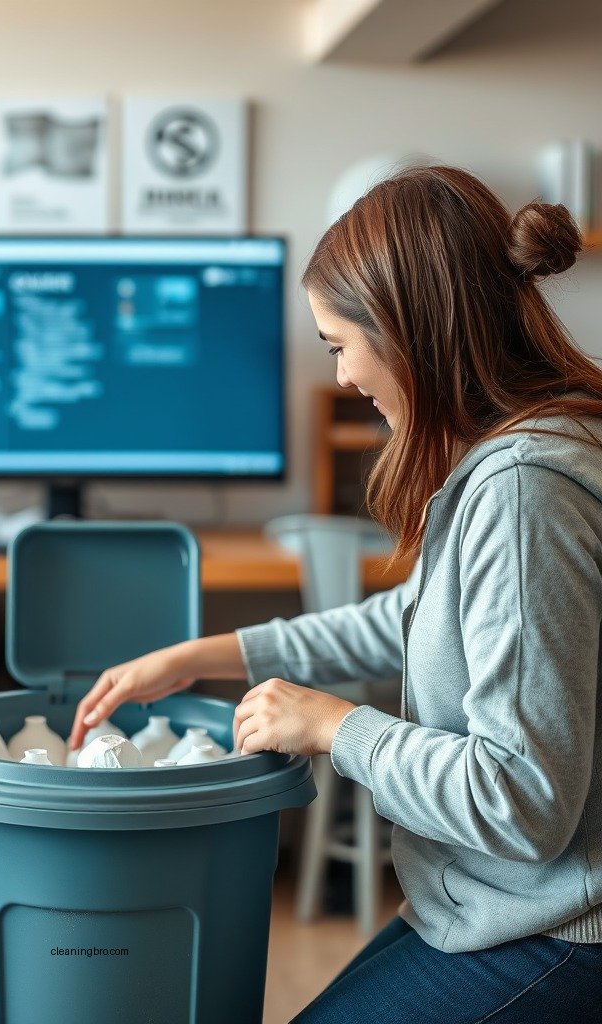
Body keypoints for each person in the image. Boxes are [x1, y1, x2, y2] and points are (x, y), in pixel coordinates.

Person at [68, 165, 602, 1022]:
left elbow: (521, 802)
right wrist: (206, 655)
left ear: (406, 330)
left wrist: (332, 726)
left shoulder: (526, 491)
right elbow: (419, 620)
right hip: (496, 902)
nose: (345, 378)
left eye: (338, 345)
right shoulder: (528, 450)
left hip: (558, 928)